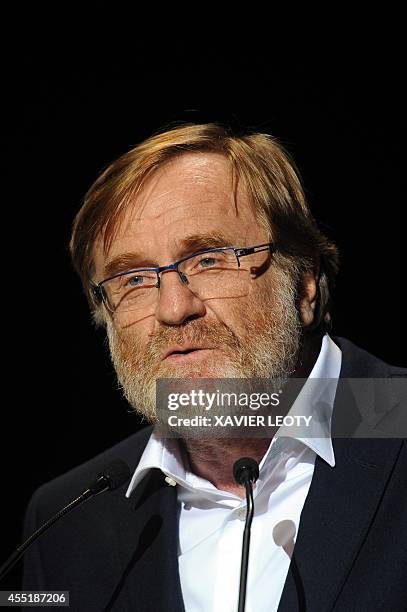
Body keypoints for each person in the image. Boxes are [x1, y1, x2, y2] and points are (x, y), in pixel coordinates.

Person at [22, 123, 406, 611]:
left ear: (305, 284)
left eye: (208, 259)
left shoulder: (397, 419)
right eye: (134, 278)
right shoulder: (68, 519)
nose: (173, 307)